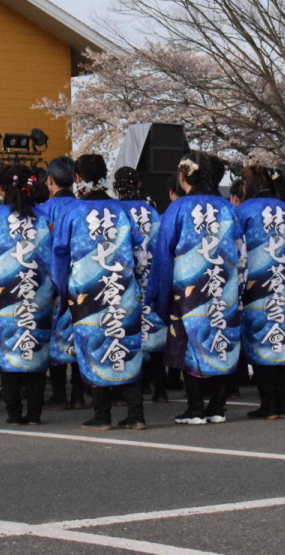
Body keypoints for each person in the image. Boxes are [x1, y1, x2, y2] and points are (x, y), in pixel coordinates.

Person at [51, 154, 147, 431]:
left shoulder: (72, 212)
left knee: (95, 346)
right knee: (126, 345)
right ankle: (136, 413)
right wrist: (137, 283)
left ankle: (102, 414)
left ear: (78, 178)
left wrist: (62, 292)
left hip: (87, 295)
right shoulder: (122, 210)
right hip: (123, 289)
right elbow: (140, 252)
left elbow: (60, 256)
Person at [150, 151, 243, 425]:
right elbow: (242, 250)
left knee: (190, 340)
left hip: (187, 289)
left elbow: (163, 254)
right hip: (224, 284)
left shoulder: (178, 208)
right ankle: (217, 406)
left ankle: (195, 408)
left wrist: (161, 293)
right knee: (220, 338)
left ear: (183, 176)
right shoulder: (227, 208)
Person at [0, 164, 54, 425]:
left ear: (1, 189)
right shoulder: (44, 218)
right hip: (38, 294)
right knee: (36, 351)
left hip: (2, 296)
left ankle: (13, 413)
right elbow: (54, 262)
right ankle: (34, 414)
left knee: (8, 351)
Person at [233, 165, 285, 419]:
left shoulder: (243, 211)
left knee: (261, 341)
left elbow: (237, 249)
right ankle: (283, 404)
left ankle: (268, 404)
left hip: (257, 285)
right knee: (282, 342)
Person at [114, 166, 167, 403]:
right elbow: (160, 245)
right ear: (139, 186)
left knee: (125, 332)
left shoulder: (114, 211)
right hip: (150, 277)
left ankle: (131, 386)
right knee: (153, 330)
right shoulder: (151, 212)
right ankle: (160, 389)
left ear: (115, 187)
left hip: (123, 282)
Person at [36, 156, 85, 411]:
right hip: (80, 282)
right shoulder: (82, 208)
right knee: (77, 335)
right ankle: (78, 393)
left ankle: (58, 394)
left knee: (54, 338)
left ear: (50, 180)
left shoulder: (43, 210)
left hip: (51, 283)